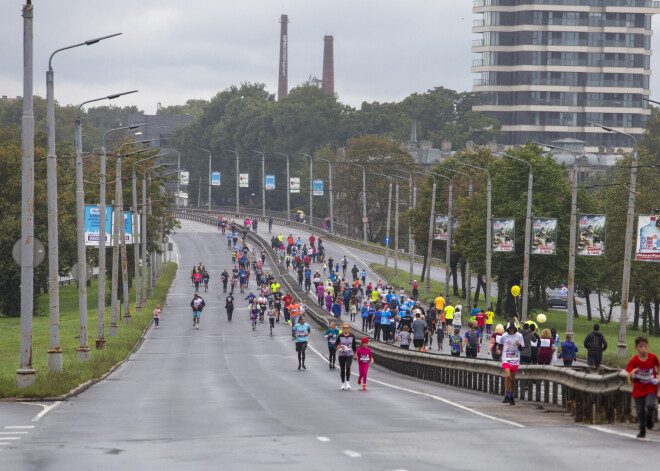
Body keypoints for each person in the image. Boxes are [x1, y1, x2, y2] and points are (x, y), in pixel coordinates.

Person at [626, 335, 659, 438]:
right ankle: (642, 430)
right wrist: (633, 372)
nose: (643, 349)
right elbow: (628, 372)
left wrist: (658, 378)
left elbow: (658, 366)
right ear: (636, 348)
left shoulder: (653, 357)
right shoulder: (634, 360)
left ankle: (650, 419)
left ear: (648, 347)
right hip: (638, 389)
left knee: (650, 404)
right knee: (640, 411)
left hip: (650, 387)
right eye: (641, 346)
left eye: (645, 346)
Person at [497, 322, 524, 405]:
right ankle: (506, 394)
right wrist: (498, 349)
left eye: (513, 330)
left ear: (515, 329)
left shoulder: (519, 336)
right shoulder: (504, 335)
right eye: (510, 330)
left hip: (515, 359)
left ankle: (511, 396)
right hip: (506, 358)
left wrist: (518, 344)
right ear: (508, 329)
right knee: (507, 375)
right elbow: (499, 343)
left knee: (512, 379)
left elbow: (522, 348)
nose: (511, 331)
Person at [335, 323, 357, 390]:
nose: (346, 329)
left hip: (349, 354)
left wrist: (355, 354)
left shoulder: (352, 336)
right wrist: (338, 347)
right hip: (341, 354)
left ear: (349, 329)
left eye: (347, 328)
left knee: (348, 367)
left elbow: (354, 345)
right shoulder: (340, 336)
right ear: (342, 329)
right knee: (342, 369)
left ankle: (347, 382)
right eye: (344, 328)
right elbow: (335, 344)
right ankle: (343, 383)